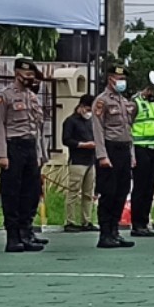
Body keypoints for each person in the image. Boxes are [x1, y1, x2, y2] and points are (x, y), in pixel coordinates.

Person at [0, 57, 51, 253]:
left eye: (33, 75)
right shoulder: (5, 96)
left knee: (31, 193)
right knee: (12, 193)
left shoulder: (32, 97)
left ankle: (26, 233)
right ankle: (13, 237)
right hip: (12, 147)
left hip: (30, 148)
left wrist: (41, 154)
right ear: (17, 73)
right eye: (27, 74)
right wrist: (1, 154)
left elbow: (37, 129)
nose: (30, 78)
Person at [93, 63, 136, 248]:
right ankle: (105, 234)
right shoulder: (101, 101)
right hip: (109, 150)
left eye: (124, 79)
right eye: (119, 79)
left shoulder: (124, 101)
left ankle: (115, 231)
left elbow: (129, 130)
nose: (122, 82)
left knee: (122, 192)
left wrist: (132, 154)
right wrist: (102, 155)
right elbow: (97, 130)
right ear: (110, 79)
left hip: (124, 150)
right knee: (108, 194)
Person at [129, 72, 154, 238]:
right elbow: (127, 128)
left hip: (153, 150)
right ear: (148, 89)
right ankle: (137, 225)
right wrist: (131, 154)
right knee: (140, 188)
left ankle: (144, 222)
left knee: (149, 188)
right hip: (140, 149)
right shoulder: (135, 103)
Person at [61, 96, 97, 232]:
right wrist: (83, 145)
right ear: (81, 107)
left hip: (90, 161)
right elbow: (66, 140)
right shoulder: (70, 121)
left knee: (88, 194)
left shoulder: (91, 121)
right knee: (73, 192)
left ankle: (86, 221)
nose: (89, 112)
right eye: (88, 109)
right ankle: (69, 221)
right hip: (77, 161)